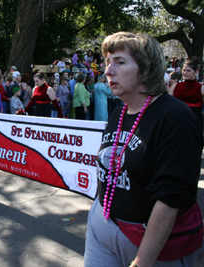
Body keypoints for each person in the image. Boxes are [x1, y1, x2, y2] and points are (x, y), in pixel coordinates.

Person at [84, 32, 204, 267]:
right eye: (108, 62)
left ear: (146, 67)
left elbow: (171, 197)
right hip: (102, 225)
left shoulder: (175, 117)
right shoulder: (118, 111)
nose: (108, 71)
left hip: (154, 244)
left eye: (119, 62)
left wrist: (142, 262)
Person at [169, 57, 204, 130]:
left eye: (188, 70)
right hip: (176, 121)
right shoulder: (175, 86)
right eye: (184, 70)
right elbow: (168, 104)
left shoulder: (201, 88)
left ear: (196, 72)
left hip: (194, 123)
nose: (185, 72)